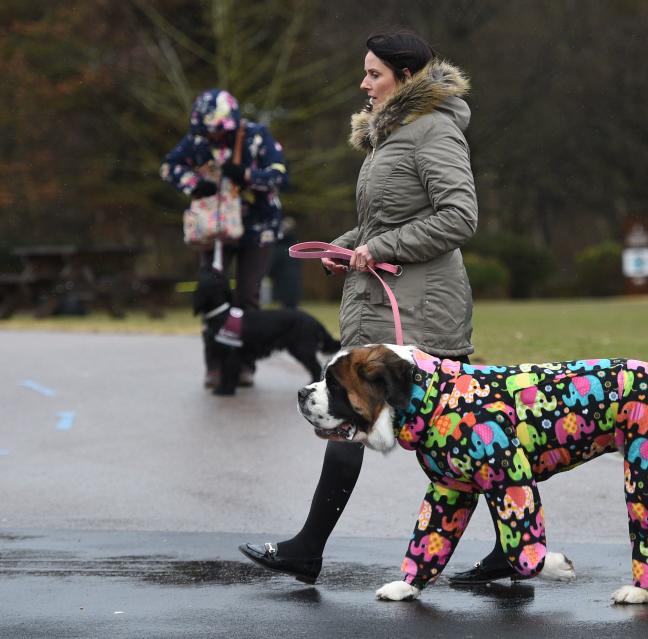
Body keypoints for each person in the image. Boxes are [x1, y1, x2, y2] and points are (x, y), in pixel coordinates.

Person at [239, 30, 509, 585]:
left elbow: (460, 217)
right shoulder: (393, 134)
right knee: (374, 416)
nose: (363, 84)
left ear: (406, 78)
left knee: (456, 431)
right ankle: (309, 549)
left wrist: (378, 249)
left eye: (374, 74)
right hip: (384, 302)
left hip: (424, 309)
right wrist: (346, 247)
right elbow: (385, 220)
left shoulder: (432, 131)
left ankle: (515, 546)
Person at [160, 89, 289, 387]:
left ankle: (244, 366)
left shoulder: (256, 137)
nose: (213, 138)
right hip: (215, 229)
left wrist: (245, 175)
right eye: (207, 132)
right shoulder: (197, 142)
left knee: (247, 297)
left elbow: (280, 175)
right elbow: (169, 166)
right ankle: (214, 366)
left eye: (217, 132)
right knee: (212, 295)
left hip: (258, 228)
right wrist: (194, 184)